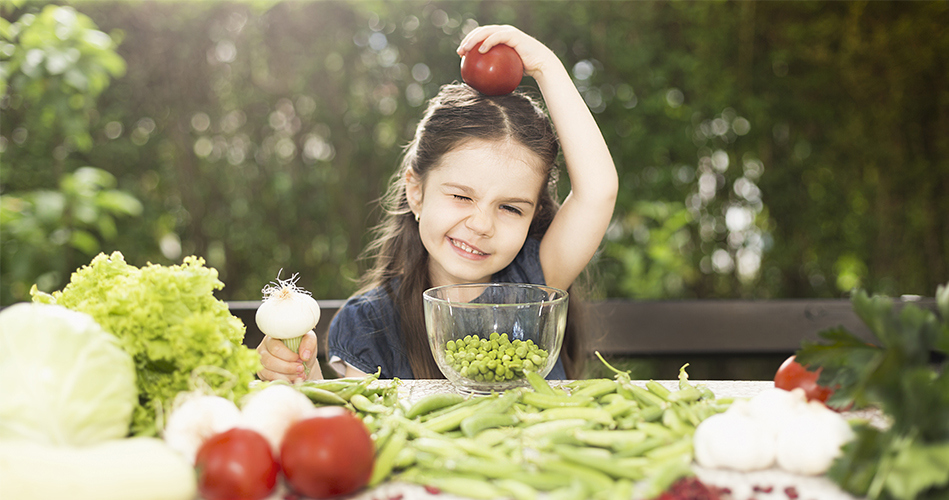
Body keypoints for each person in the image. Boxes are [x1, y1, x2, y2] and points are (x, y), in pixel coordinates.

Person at [256, 25, 617, 382]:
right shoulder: (370, 322)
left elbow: (598, 191)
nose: (481, 224)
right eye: (461, 196)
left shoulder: (536, 279)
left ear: (533, 214)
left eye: (510, 208)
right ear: (416, 192)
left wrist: (545, 66)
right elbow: (361, 428)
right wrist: (301, 377)